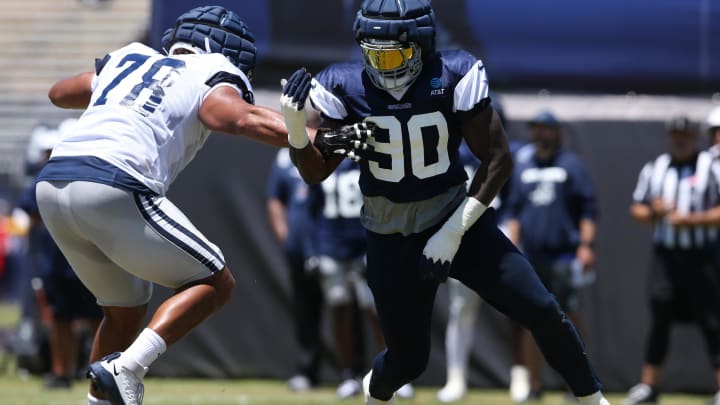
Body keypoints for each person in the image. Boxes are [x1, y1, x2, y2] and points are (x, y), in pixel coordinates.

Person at [279, 1, 611, 405]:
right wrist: (297, 130)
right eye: (373, 53)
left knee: (542, 309)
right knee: (407, 362)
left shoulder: (453, 73)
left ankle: (595, 401)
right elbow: (314, 172)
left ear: (419, 45)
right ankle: (373, 395)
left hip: (456, 218)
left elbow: (498, 160)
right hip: (390, 233)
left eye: (394, 53)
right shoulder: (342, 84)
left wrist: (453, 233)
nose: (383, 65)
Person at [36, 5, 362, 405]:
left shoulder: (129, 57)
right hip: (112, 180)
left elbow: (58, 93)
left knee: (124, 309)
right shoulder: (209, 69)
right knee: (214, 280)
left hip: (53, 183)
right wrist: (313, 136)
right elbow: (234, 117)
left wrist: (112, 89)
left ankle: (100, 400)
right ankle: (129, 367)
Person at [436, 96, 533, 403]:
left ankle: (520, 376)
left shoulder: (510, 154)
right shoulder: (454, 151)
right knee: (460, 310)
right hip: (463, 232)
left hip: (500, 230)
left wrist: (512, 236)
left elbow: (516, 204)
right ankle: (456, 377)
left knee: (516, 308)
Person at [623, 116, 720, 405]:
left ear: (695, 137)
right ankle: (649, 387)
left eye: (685, 134)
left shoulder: (712, 168)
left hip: (703, 257)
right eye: (675, 133)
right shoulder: (655, 168)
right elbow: (635, 208)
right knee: (660, 319)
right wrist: (654, 212)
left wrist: (692, 221)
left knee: (713, 321)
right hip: (666, 257)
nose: (680, 139)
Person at [505, 111, 599, 401]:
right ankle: (535, 385)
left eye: (546, 129)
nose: (540, 134)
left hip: (564, 256)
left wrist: (585, 245)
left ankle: (579, 385)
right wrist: (512, 244)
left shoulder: (571, 165)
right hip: (532, 257)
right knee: (533, 321)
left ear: (557, 132)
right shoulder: (523, 166)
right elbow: (515, 211)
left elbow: (588, 211)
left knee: (570, 319)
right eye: (536, 129)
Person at [306, 158, 414, 399]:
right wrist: (313, 250)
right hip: (331, 248)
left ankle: (394, 372)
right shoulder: (321, 165)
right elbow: (311, 210)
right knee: (339, 310)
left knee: (377, 311)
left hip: (365, 247)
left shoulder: (366, 165)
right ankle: (348, 375)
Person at [18, 120, 103, 389]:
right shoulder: (48, 174)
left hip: (81, 256)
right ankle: (63, 372)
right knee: (63, 317)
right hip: (62, 258)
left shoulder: (91, 172)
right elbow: (32, 213)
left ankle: (100, 373)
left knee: (95, 317)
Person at [266, 147, 324, 392]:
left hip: (338, 247)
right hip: (300, 249)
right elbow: (274, 198)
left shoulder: (335, 146)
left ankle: (356, 373)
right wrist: (285, 237)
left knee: (354, 307)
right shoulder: (284, 156)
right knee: (305, 311)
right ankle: (306, 371)